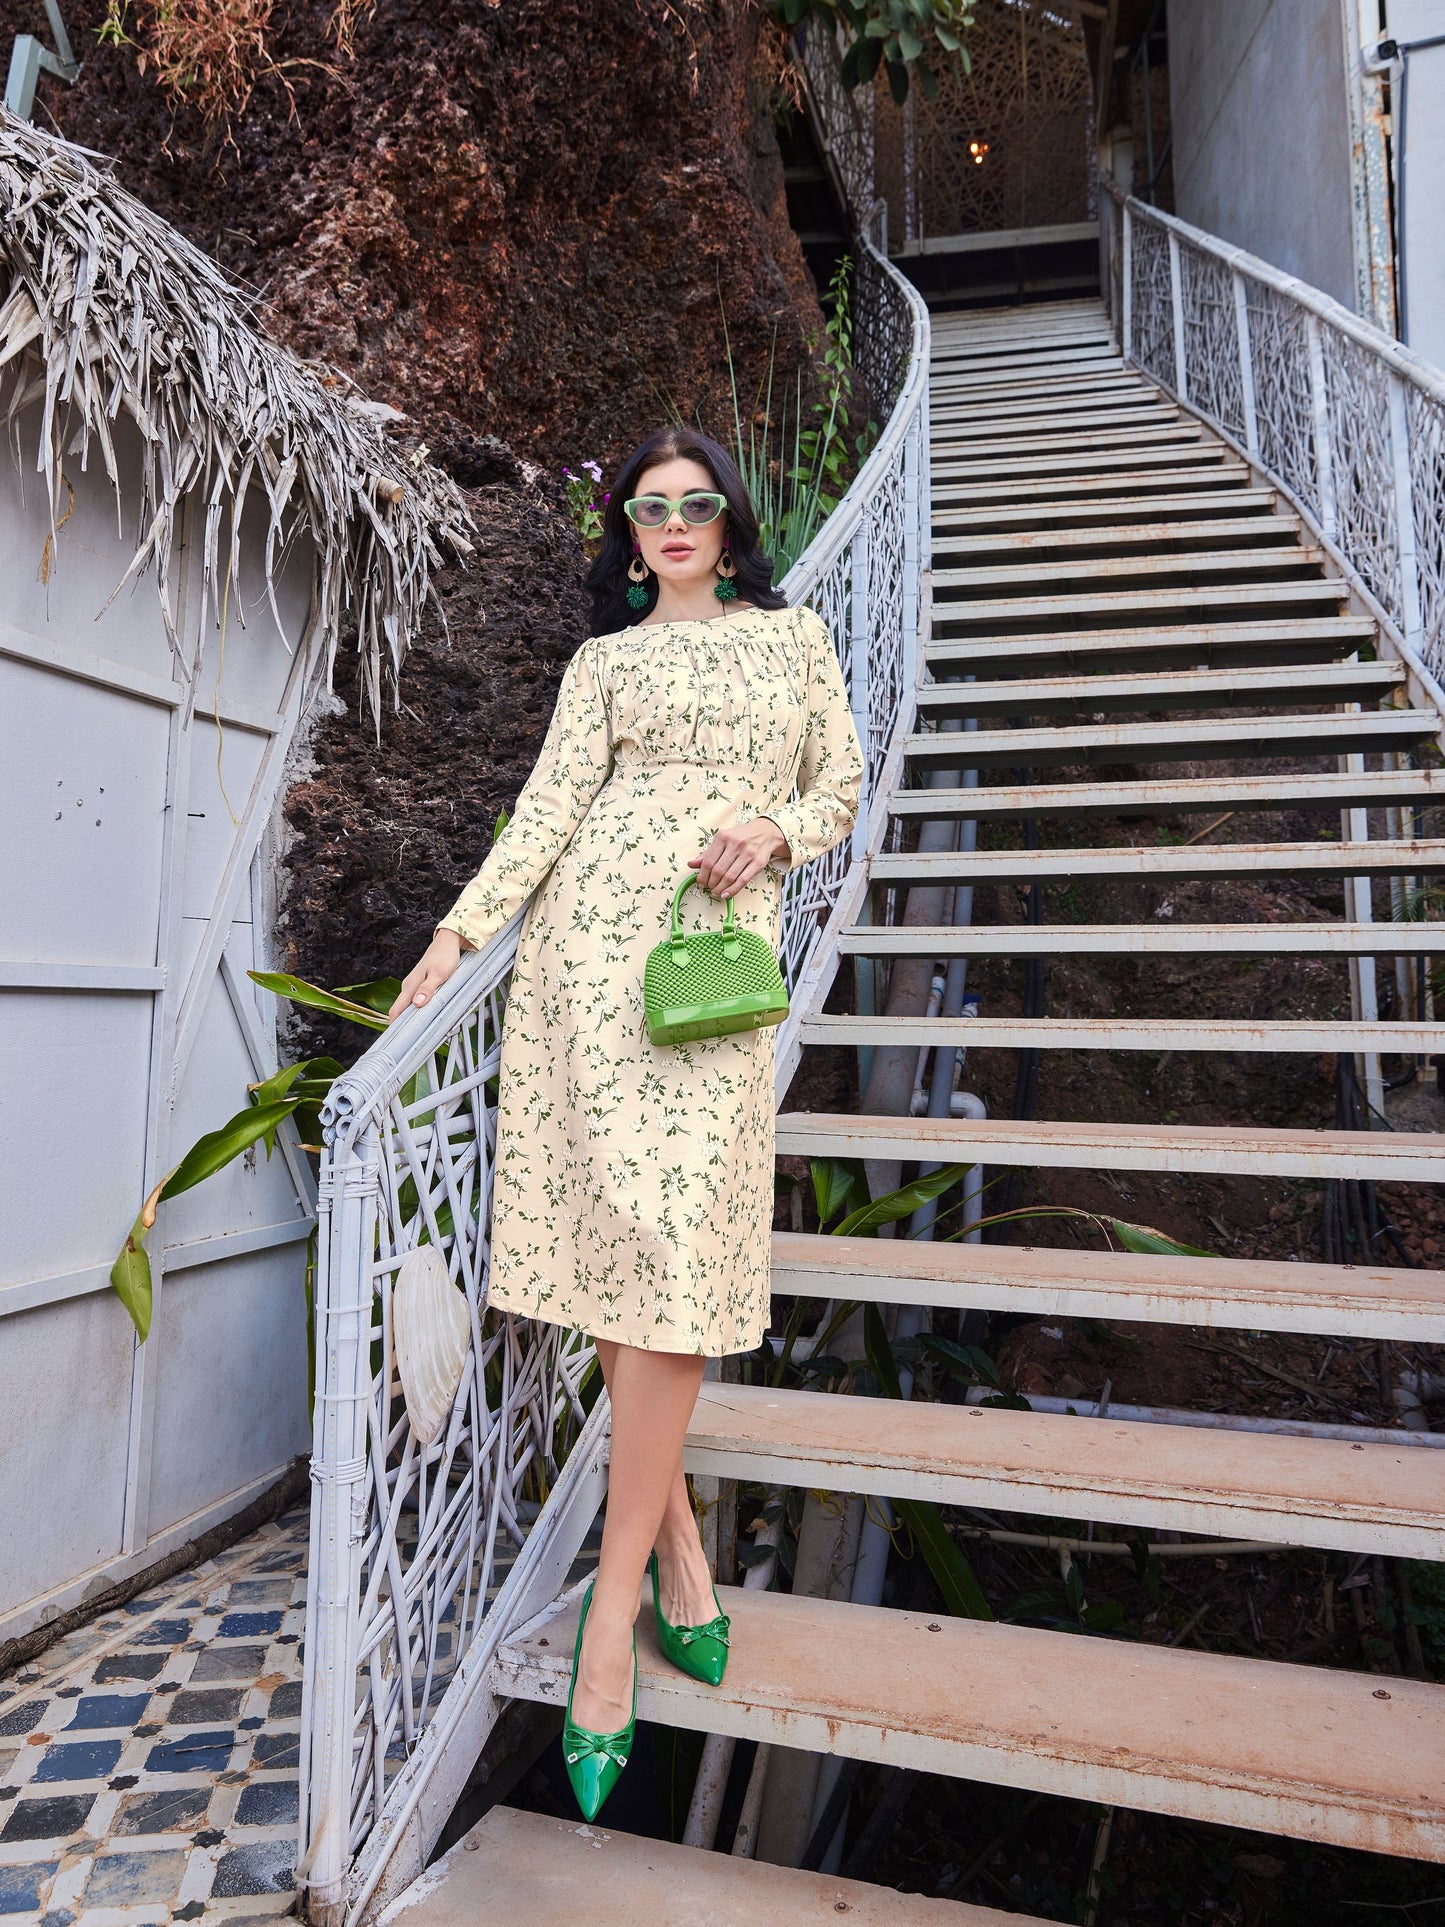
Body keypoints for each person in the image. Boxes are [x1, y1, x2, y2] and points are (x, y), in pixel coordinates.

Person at [387, 425, 863, 1819]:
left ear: (730, 521)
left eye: (696, 504)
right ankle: (676, 1563)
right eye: (649, 510)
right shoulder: (604, 665)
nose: (674, 524)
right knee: (621, 1253)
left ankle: (614, 1604)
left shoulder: (793, 642)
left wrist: (774, 832)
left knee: (672, 1249)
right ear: (629, 535)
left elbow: (837, 784)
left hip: (710, 964)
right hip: (587, 962)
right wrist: (455, 931)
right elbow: (546, 813)